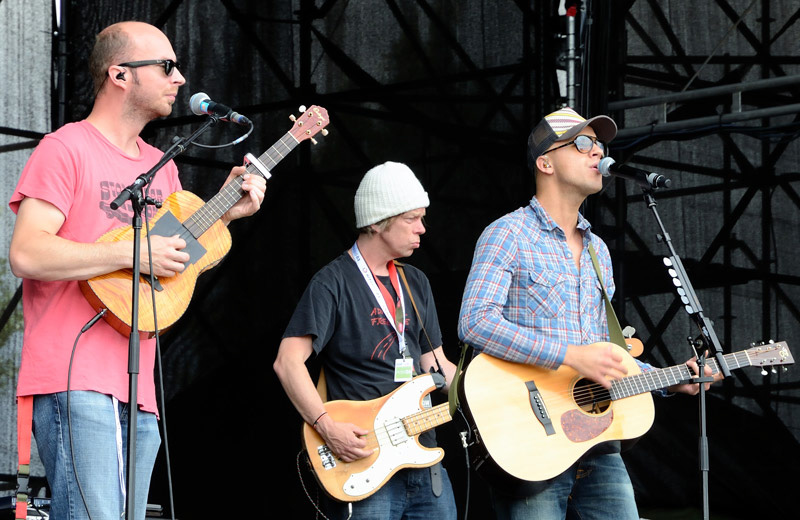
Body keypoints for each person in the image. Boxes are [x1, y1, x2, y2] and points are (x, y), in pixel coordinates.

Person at [8, 21, 266, 520]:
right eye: (167, 66)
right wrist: (131, 253)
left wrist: (226, 212)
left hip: (140, 387)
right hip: (73, 377)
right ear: (119, 74)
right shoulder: (65, 148)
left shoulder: (161, 167)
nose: (181, 78)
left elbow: (171, 264)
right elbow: (27, 254)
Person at [457, 107, 720, 520]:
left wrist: (672, 380)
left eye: (599, 144)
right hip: (531, 441)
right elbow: (475, 321)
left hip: (597, 440)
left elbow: (608, 355)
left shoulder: (598, 250)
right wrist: (568, 355)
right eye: (582, 143)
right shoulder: (506, 234)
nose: (597, 151)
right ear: (545, 163)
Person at [273, 161, 458, 519]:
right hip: (363, 462)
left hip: (423, 457)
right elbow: (287, 361)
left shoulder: (416, 282)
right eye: (411, 219)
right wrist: (326, 426)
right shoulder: (332, 283)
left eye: (422, 218)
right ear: (376, 222)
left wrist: (483, 391)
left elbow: (436, 363)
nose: (422, 228)